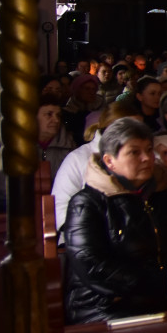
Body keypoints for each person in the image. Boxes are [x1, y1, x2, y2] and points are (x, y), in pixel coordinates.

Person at [63, 118, 167, 324]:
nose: (147, 158)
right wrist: (161, 285)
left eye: (149, 149)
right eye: (134, 152)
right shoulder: (87, 203)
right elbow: (92, 265)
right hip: (109, 304)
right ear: (109, 161)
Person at [52, 100, 144, 236]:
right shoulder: (78, 158)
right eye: (131, 129)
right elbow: (61, 207)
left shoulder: (149, 157)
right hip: (88, 237)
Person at [38, 94, 77, 177]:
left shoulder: (69, 146)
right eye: (49, 114)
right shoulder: (23, 146)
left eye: (58, 115)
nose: (56, 120)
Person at [63, 73, 104, 145]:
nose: (91, 92)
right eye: (87, 89)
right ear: (77, 90)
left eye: (94, 89)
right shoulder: (67, 111)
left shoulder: (100, 109)